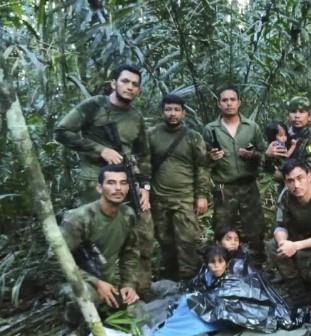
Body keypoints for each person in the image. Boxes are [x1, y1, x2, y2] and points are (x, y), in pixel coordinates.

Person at [55, 64, 154, 292]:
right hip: (95, 183)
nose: (130, 87)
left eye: (135, 85)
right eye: (125, 81)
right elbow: (62, 132)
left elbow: (144, 154)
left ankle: (137, 290)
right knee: (95, 238)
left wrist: (145, 187)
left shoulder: (136, 117)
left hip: (128, 181)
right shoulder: (94, 106)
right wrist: (99, 150)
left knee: (141, 233)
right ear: (114, 83)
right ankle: (95, 289)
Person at [60, 165, 140, 311]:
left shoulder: (128, 214)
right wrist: (96, 283)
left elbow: (130, 252)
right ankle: (77, 330)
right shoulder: (80, 219)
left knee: (133, 303)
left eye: (123, 183)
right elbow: (56, 260)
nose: (118, 188)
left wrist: (128, 284)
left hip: (106, 278)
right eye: (111, 183)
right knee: (88, 298)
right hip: (76, 279)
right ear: (99, 188)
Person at [148, 94, 210, 281]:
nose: (172, 114)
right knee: (165, 240)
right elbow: (143, 165)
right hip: (159, 197)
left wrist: (202, 195)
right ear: (162, 112)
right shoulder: (151, 135)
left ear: (183, 113)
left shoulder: (193, 137)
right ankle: (170, 278)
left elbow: (202, 167)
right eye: (168, 110)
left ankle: (189, 279)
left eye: (176, 110)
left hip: (185, 197)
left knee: (187, 241)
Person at [203, 85, 267, 266]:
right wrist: (212, 158)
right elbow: (203, 160)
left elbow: (265, 155)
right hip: (224, 187)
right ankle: (223, 266)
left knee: (255, 228)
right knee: (223, 227)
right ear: (219, 104)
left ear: (239, 102)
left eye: (232, 100)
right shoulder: (210, 129)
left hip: (248, 185)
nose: (229, 103)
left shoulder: (251, 127)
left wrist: (252, 155)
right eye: (225, 100)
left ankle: (256, 268)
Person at [266, 159, 311, 309]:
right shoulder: (285, 196)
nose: (296, 185)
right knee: (272, 245)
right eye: (290, 181)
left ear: (309, 177)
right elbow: (280, 226)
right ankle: (299, 296)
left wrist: (296, 246)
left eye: (300, 178)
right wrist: (283, 244)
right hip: (298, 241)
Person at [265, 97, 311, 183]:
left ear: (309, 116)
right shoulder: (284, 134)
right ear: (288, 115)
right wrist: (268, 156)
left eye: (301, 112)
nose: (297, 116)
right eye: (293, 112)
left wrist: (279, 175)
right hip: (285, 190)